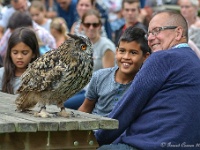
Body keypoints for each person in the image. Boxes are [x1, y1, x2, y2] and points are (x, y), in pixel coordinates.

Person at [95, 10, 200, 150]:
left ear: (178, 33)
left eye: (157, 31)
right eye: (149, 33)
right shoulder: (195, 61)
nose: (150, 38)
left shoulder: (162, 58)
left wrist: (96, 140)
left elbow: (128, 108)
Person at [78, 27, 151, 117]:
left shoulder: (144, 85)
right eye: (122, 51)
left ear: (145, 57)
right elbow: (85, 108)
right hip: (94, 128)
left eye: (133, 53)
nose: (126, 57)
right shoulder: (99, 77)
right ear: (116, 52)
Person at [64, 8, 116, 109]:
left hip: (93, 93)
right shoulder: (80, 44)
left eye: (95, 24)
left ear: (100, 26)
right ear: (82, 26)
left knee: (65, 105)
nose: (91, 28)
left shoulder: (106, 46)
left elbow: (108, 79)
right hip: (79, 87)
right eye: (87, 24)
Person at [0, 27, 40, 94]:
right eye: (15, 53)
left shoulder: (40, 78)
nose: (19, 57)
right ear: (10, 53)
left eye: (24, 53)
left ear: (33, 53)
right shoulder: (2, 75)